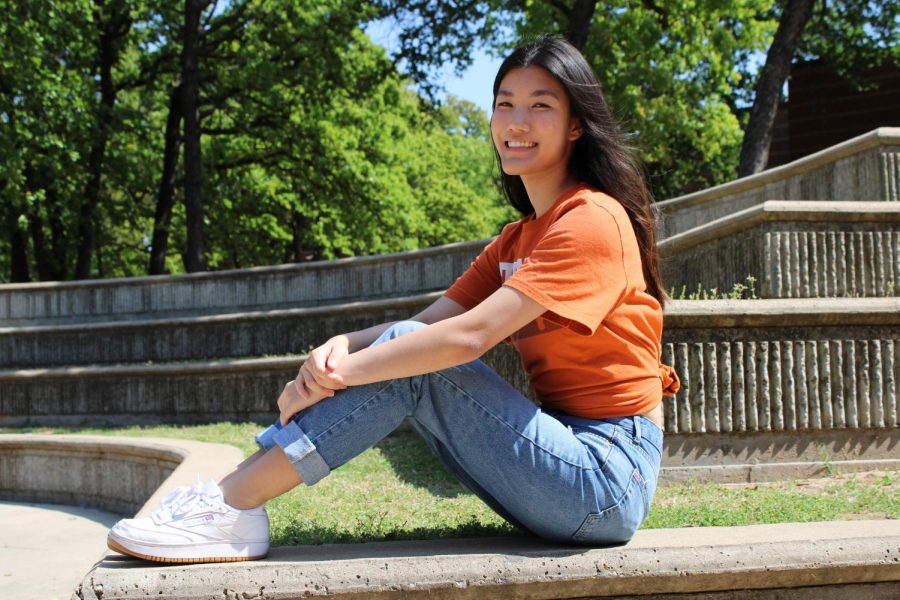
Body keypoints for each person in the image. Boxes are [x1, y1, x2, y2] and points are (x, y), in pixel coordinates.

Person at [107, 34, 680, 564]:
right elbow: (431, 321)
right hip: (564, 463)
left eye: (540, 105)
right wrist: (331, 351)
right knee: (405, 348)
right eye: (505, 104)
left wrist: (345, 374)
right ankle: (227, 497)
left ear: (577, 125)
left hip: (608, 479)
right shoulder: (516, 238)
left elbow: (467, 338)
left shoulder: (592, 220)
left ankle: (233, 506)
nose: (516, 121)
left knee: (416, 359)